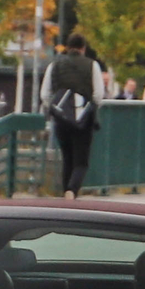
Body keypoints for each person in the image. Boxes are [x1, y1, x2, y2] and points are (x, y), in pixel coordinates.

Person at [46, 37, 101, 197]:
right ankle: (72, 190)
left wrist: (57, 108)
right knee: (81, 161)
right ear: (83, 48)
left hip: (61, 120)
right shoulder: (92, 65)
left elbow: (45, 94)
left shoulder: (54, 65)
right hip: (83, 120)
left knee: (67, 158)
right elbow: (98, 94)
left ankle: (66, 193)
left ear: (68, 48)